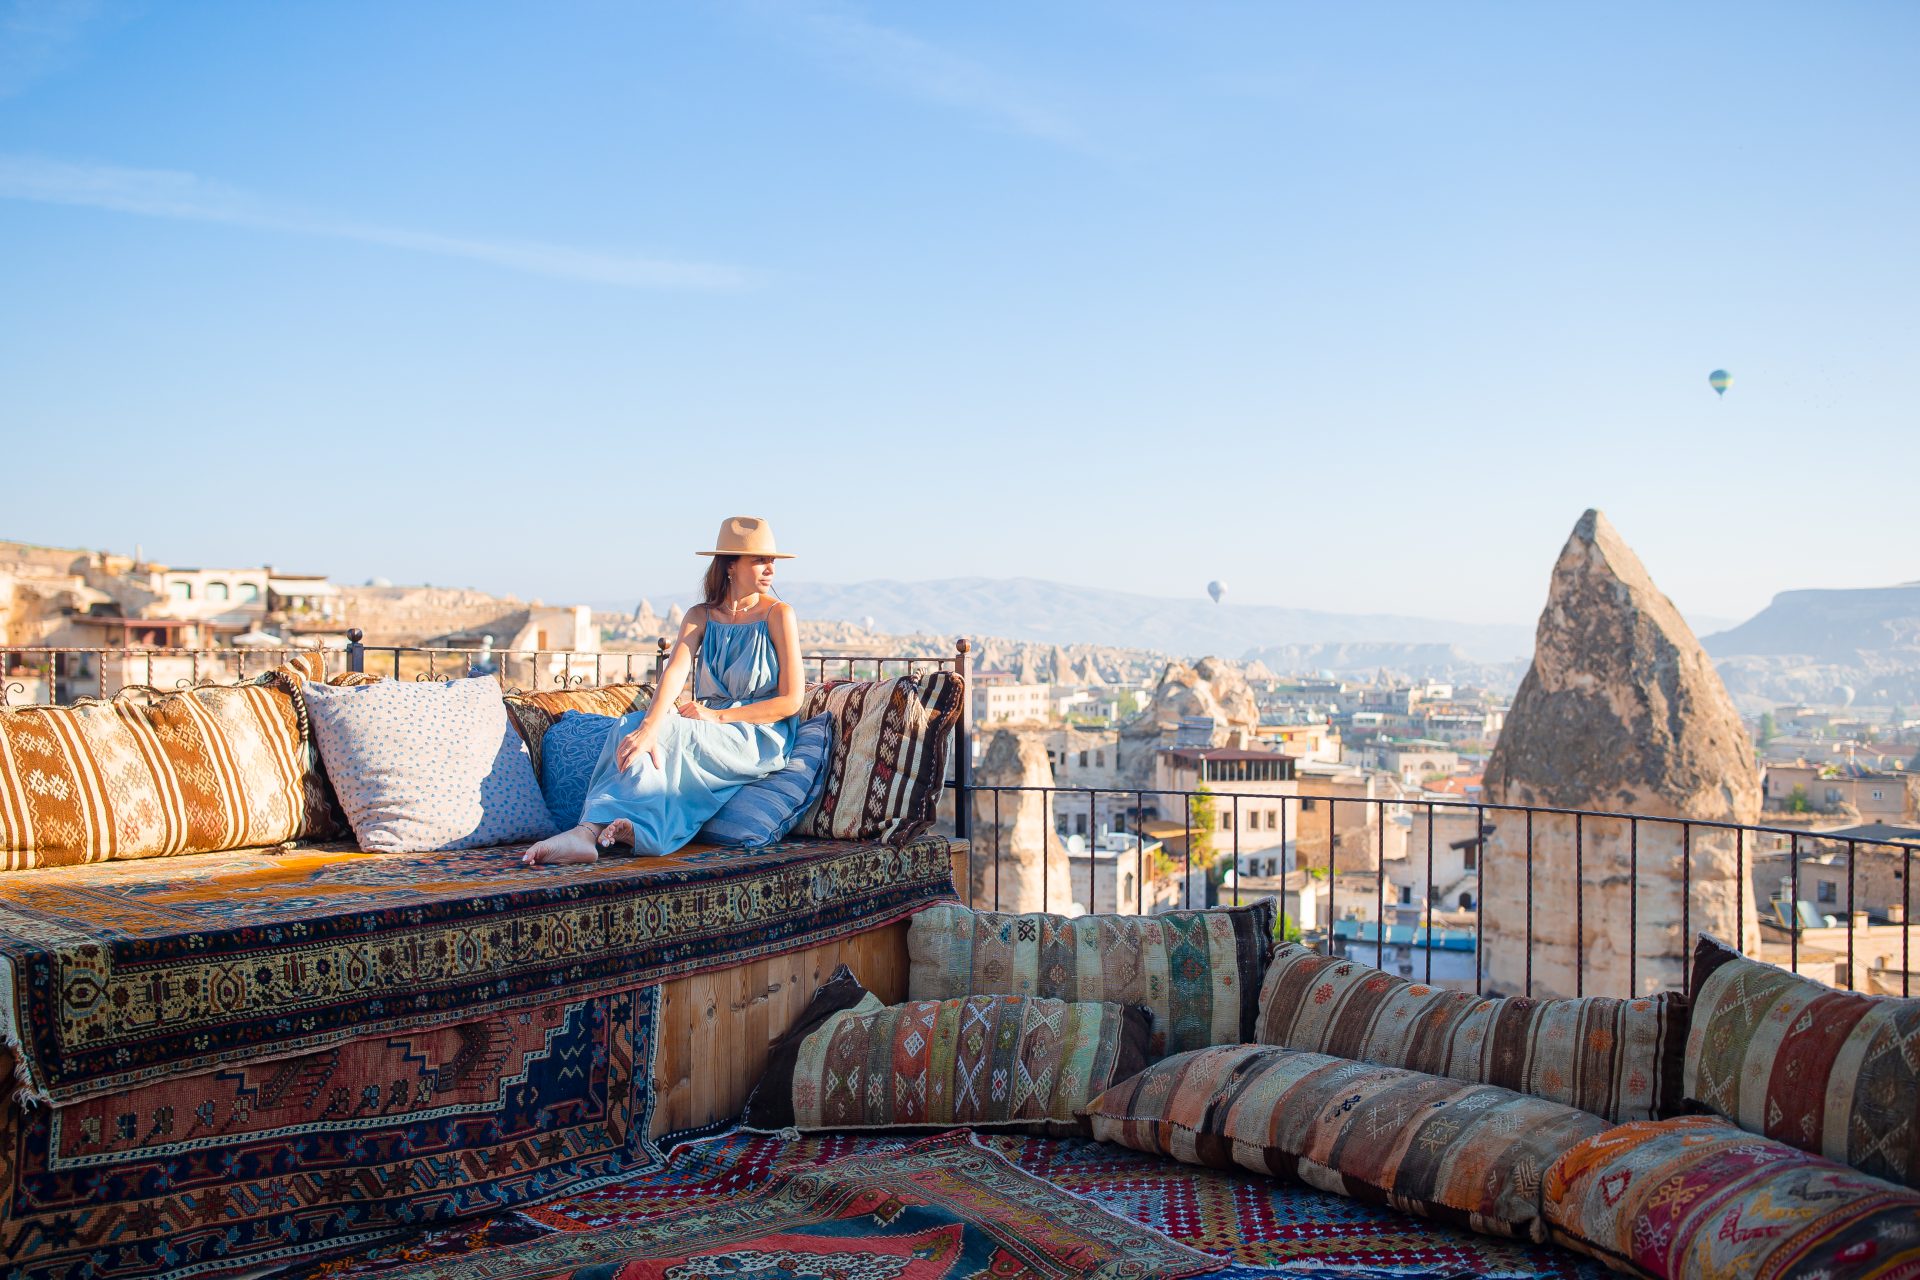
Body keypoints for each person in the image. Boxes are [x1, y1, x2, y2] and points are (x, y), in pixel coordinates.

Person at [520, 516, 803, 866]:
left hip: (757, 732)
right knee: (631, 726)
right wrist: (649, 725)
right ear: (730, 564)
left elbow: (791, 701)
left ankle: (588, 832)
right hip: (709, 723)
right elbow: (674, 672)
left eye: (772, 560)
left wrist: (716, 716)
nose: (770, 568)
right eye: (760, 559)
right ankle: (631, 830)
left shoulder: (779, 614)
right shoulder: (701, 615)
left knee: (666, 730)